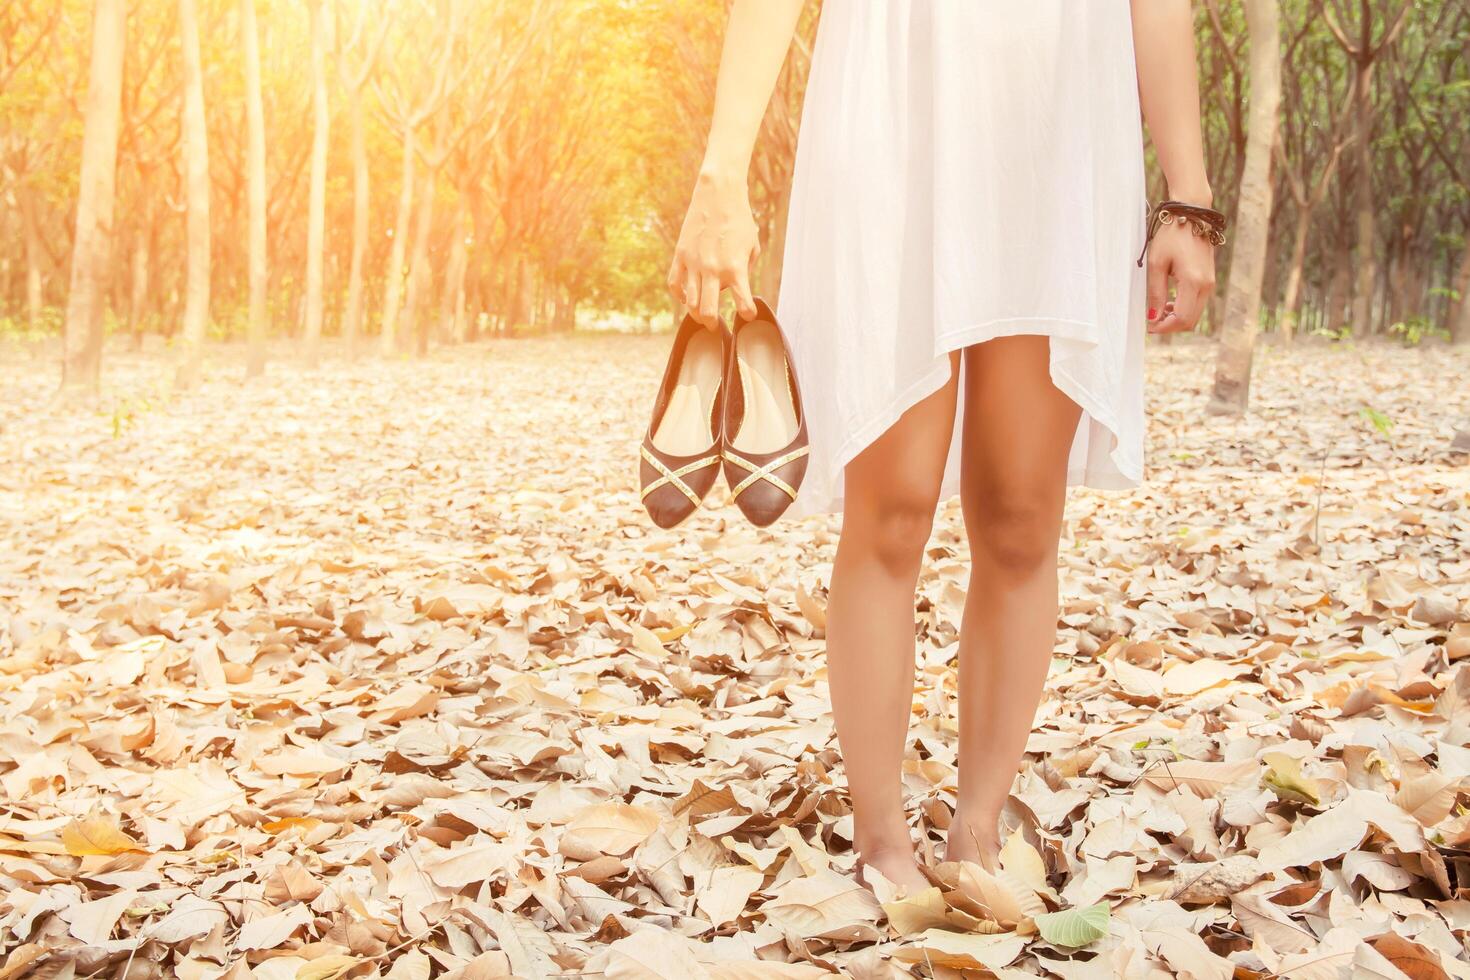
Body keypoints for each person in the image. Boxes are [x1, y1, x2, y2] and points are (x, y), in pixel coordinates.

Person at [667, 1, 1219, 893]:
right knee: (891, 512)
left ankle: (978, 829)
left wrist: (1189, 199)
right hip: (893, 104)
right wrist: (720, 172)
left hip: (1059, 124)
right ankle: (882, 842)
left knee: (1019, 517)